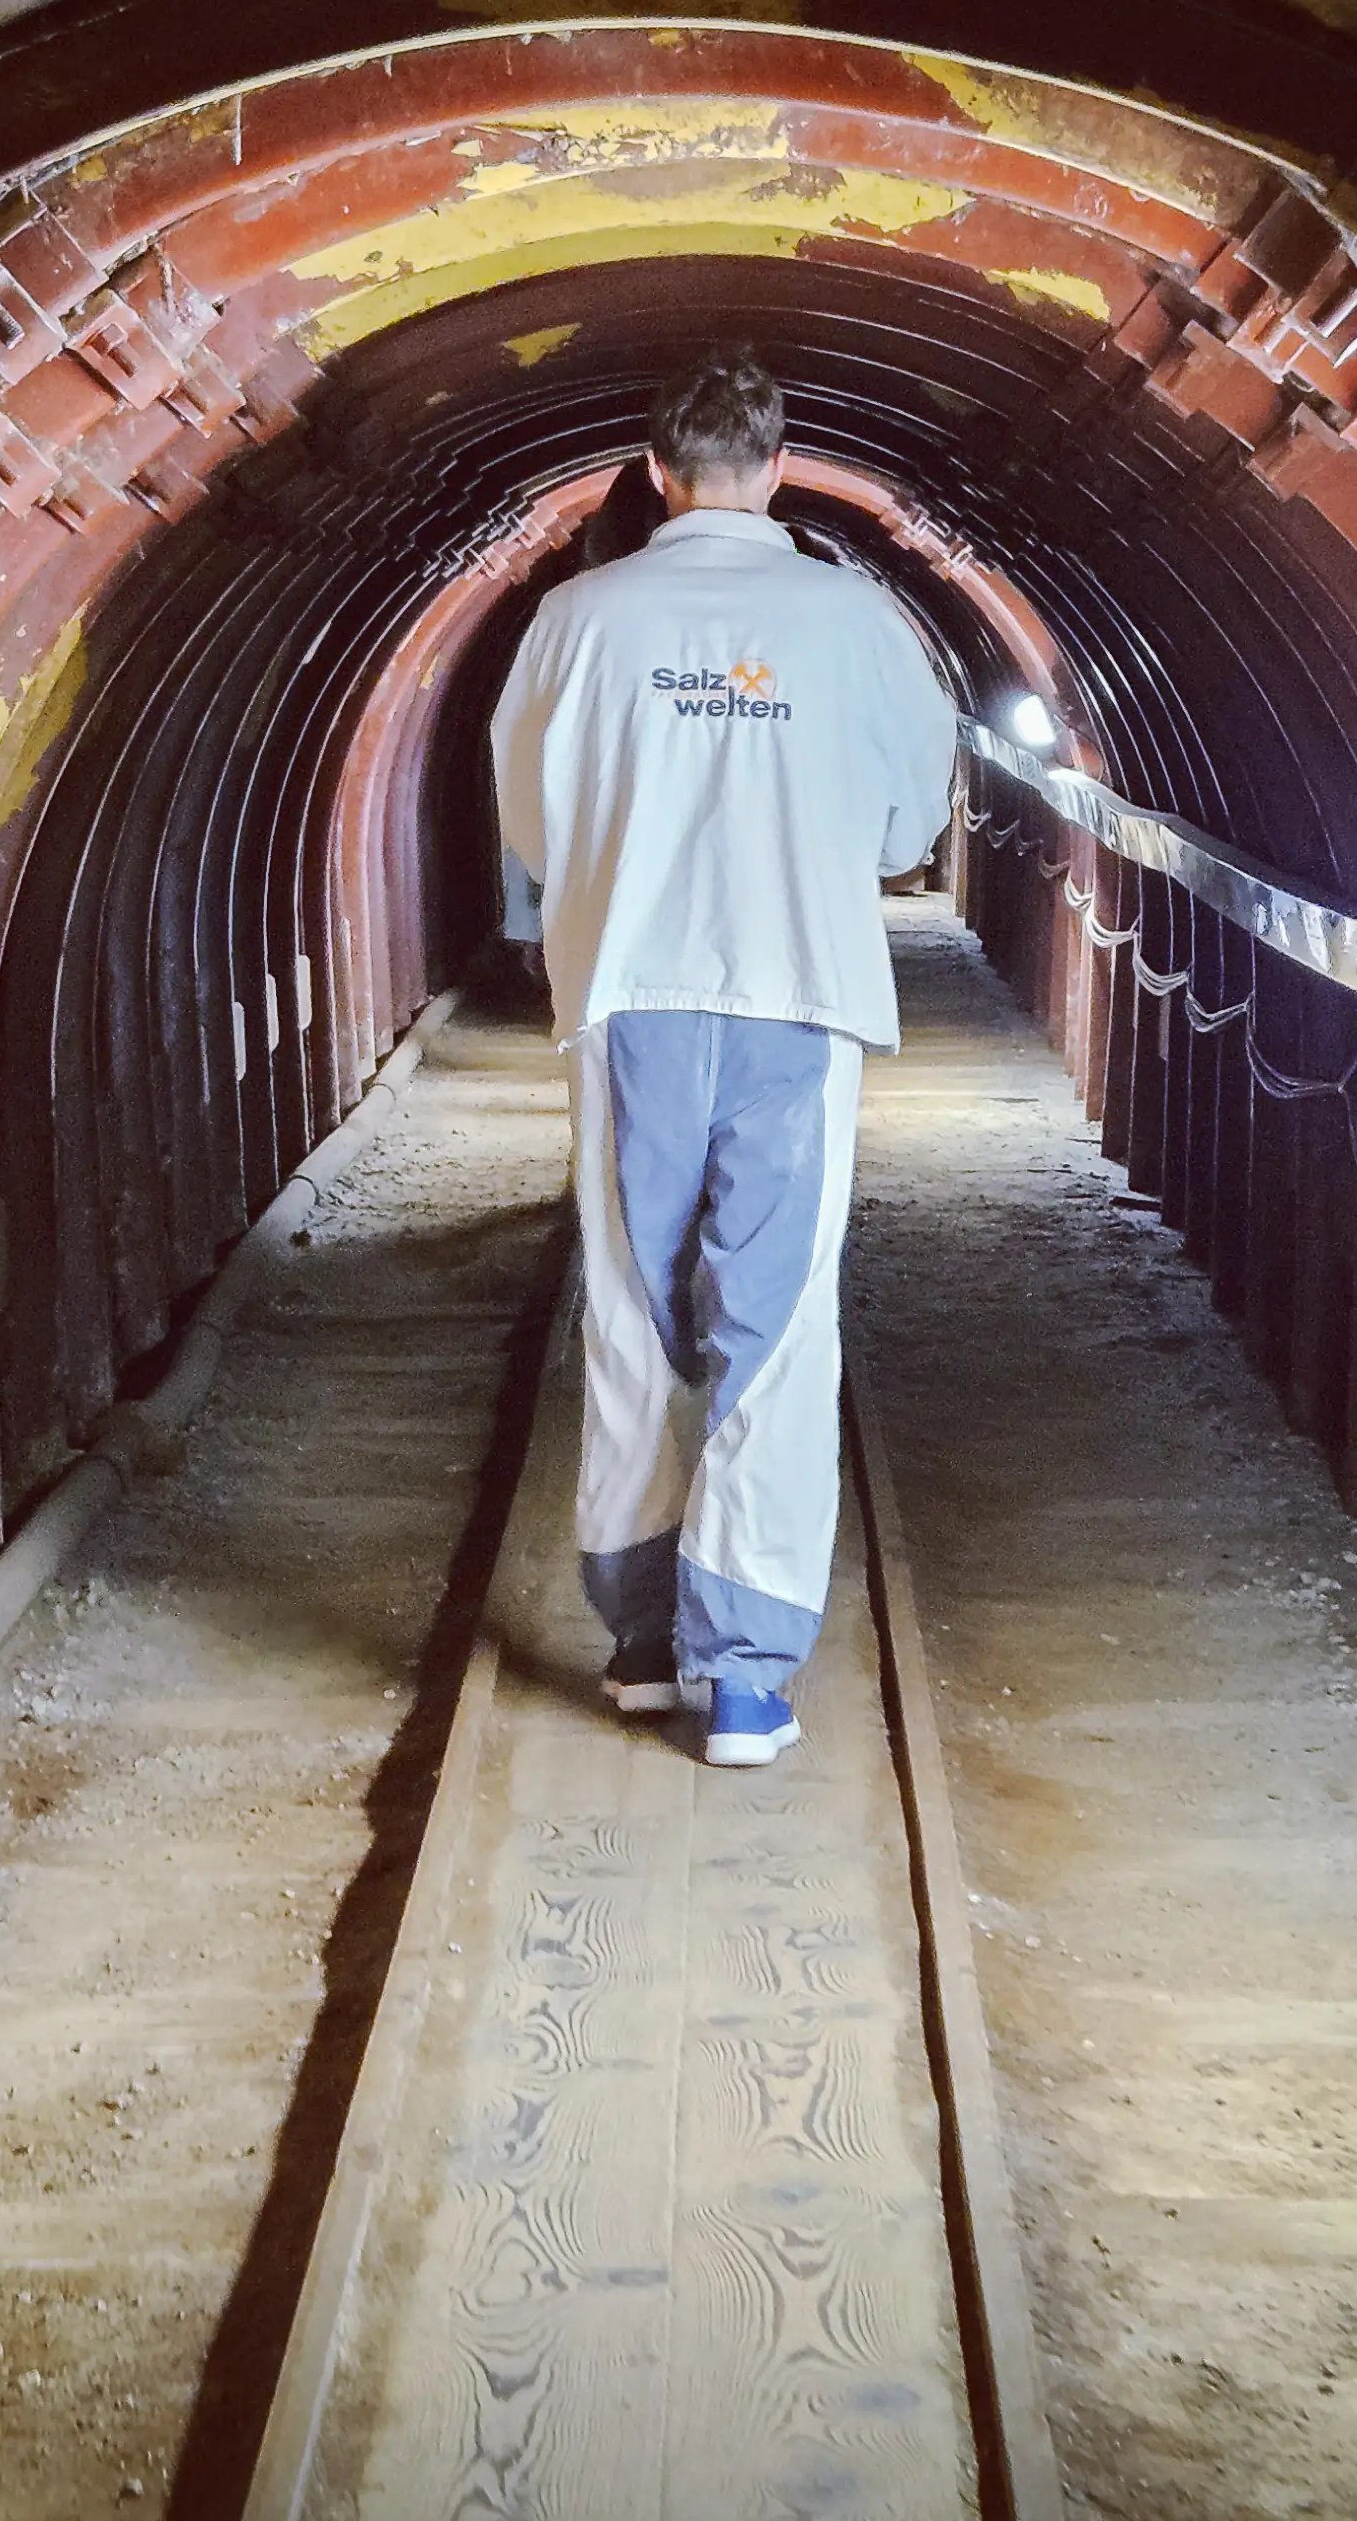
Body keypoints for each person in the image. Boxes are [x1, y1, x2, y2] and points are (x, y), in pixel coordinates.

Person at [490, 348, 960, 1767]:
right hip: (799, 1003)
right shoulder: (854, 620)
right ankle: (747, 1677)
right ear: (779, 464)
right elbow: (905, 826)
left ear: (652, 472)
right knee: (775, 1326)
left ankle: (640, 1641)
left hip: (631, 999)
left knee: (632, 1314)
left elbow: (530, 818)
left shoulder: (576, 619)